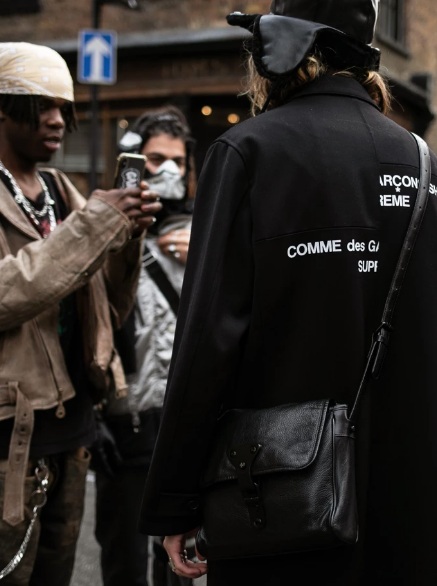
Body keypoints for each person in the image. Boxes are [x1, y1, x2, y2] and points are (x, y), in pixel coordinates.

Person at [139, 1, 437, 585]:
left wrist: (175, 501)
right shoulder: (421, 162)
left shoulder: (247, 152)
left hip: (277, 504)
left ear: (274, 57)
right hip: (406, 501)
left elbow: (206, 343)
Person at [0, 42, 161, 586]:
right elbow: (7, 293)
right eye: (42, 105)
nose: (59, 120)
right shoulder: (77, 210)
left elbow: (110, 310)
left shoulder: (61, 193)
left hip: (72, 437)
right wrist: (93, 226)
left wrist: (126, 239)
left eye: (65, 108)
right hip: (9, 446)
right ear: (2, 107)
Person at [94, 106, 195, 586]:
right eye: (155, 159)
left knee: (177, 562)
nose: (169, 171)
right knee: (124, 558)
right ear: (132, 160)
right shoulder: (103, 232)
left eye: (177, 159)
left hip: (180, 425)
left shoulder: (201, 235)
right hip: (125, 420)